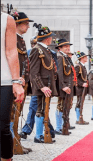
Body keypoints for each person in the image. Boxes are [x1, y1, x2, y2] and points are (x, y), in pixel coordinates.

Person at [1, 11, 25, 161]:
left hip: (3, 80)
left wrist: (16, 81)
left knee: (2, 127)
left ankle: (6, 158)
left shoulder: (6, 19)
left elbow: (11, 51)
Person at [9, 11, 34, 154]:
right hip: (15, 82)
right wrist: (16, 78)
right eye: (26, 23)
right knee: (12, 113)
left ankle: (16, 142)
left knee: (17, 113)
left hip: (22, 82)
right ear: (17, 24)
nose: (28, 26)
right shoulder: (12, 39)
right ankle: (11, 143)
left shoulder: (20, 40)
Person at [29, 25, 58, 143]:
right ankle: (39, 135)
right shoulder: (37, 49)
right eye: (50, 37)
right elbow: (34, 71)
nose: (51, 39)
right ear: (47, 38)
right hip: (43, 87)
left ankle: (43, 133)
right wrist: (42, 86)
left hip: (48, 85)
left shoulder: (45, 49)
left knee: (45, 109)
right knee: (40, 110)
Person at [55, 38, 76, 135]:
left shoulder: (66, 58)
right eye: (65, 46)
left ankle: (64, 125)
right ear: (60, 48)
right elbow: (59, 73)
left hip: (68, 86)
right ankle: (59, 127)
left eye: (68, 46)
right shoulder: (60, 57)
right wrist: (63, 86)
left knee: (66, 106)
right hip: (63, 87)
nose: (68, 48)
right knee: (60, 106)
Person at [74, 51, 89, 124]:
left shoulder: (82, 66)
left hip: (83, 88)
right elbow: (75, 77)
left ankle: (80, 117)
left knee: (81, 103)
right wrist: (82, 84)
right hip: (79, 88)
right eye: (85, 57)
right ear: (82, 58)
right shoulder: (78, 66)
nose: (87, 58)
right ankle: (78, 118)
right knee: (79, 103)